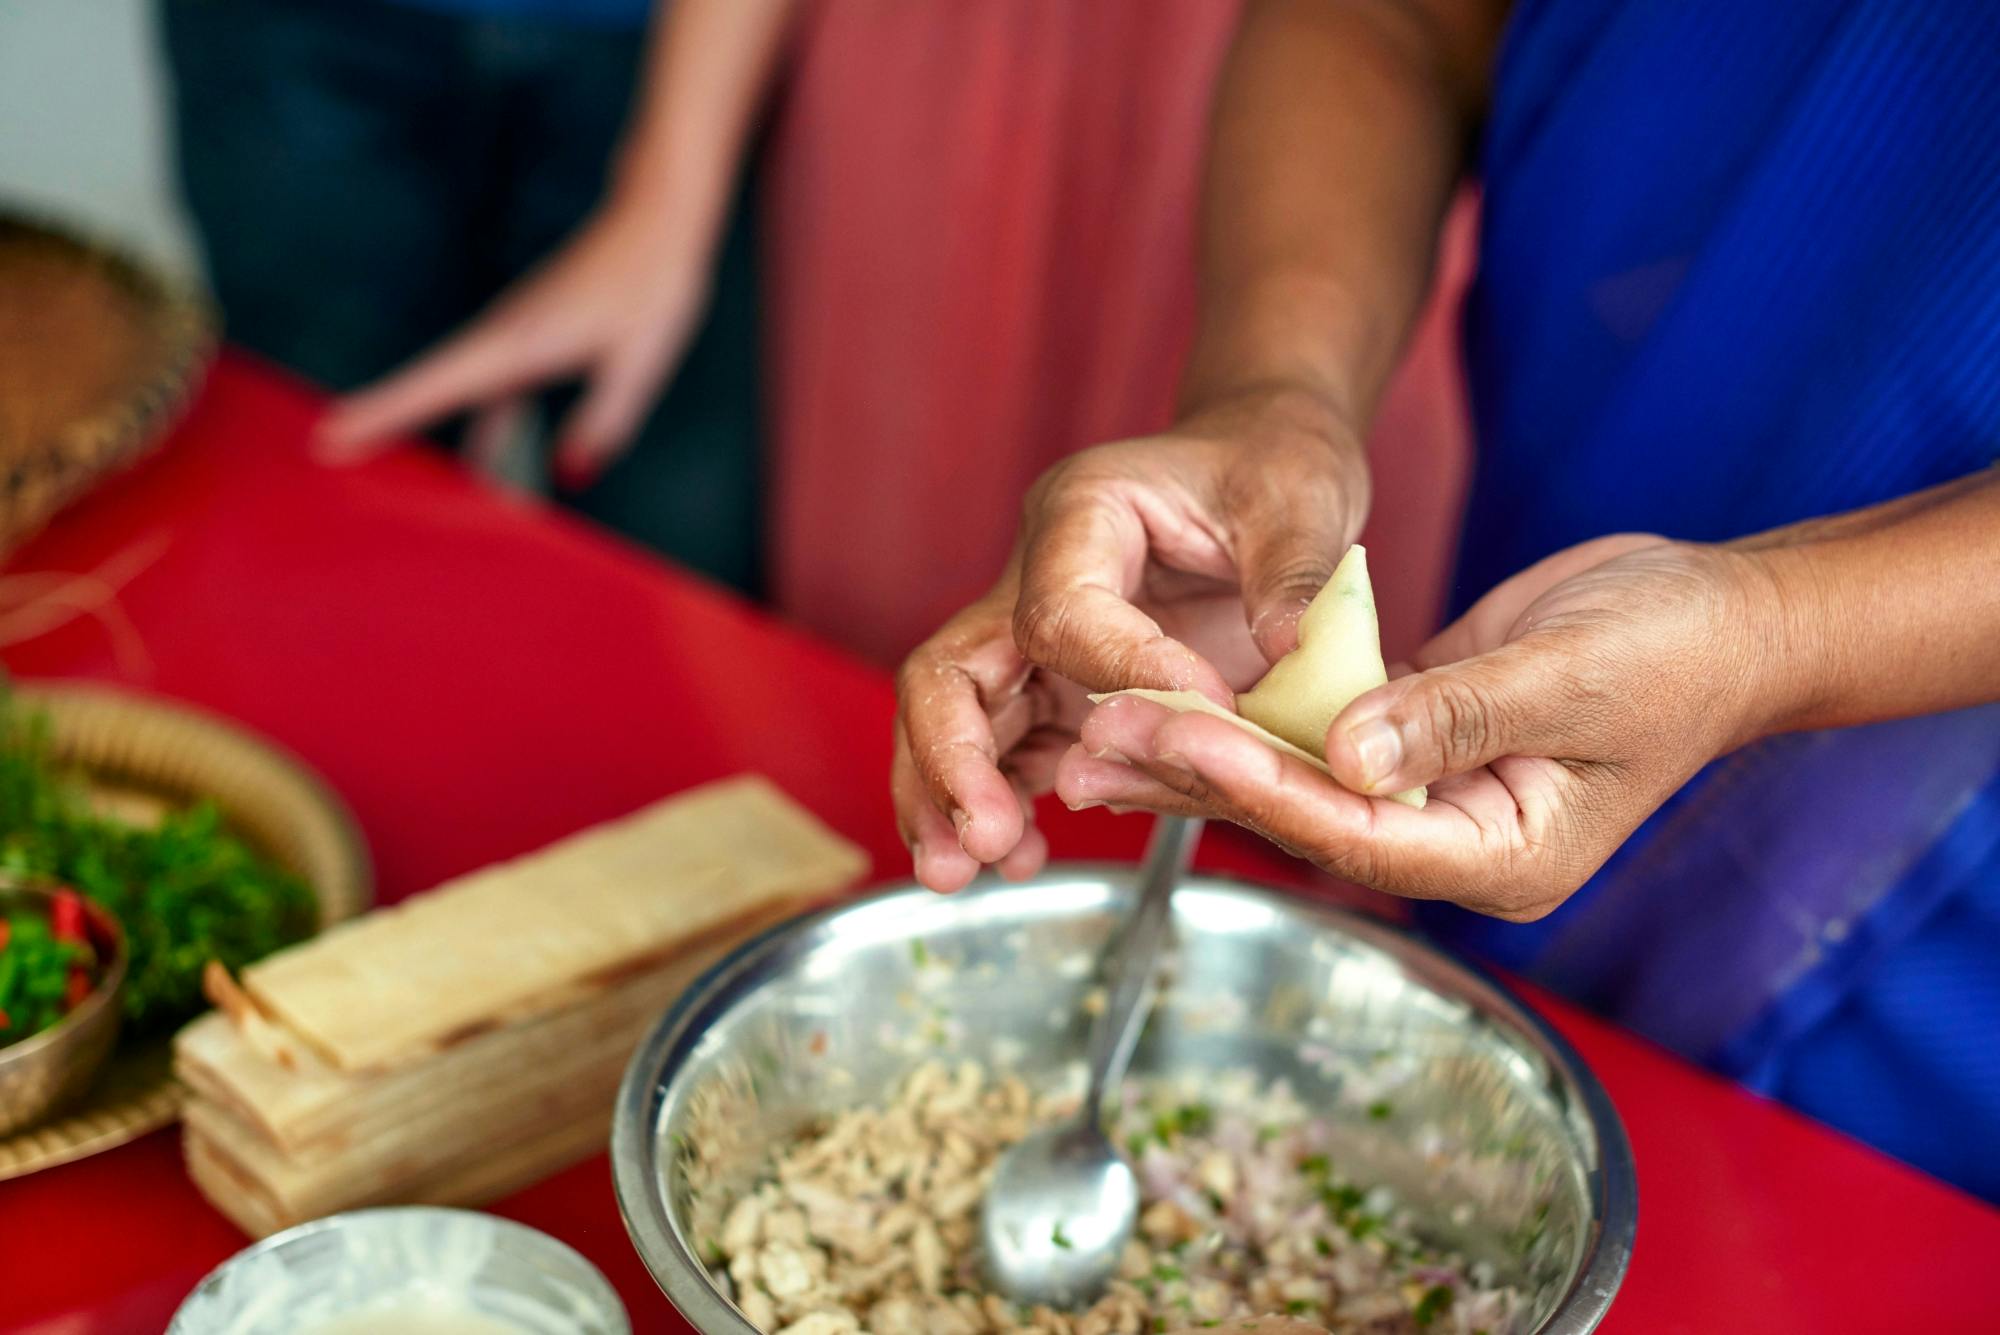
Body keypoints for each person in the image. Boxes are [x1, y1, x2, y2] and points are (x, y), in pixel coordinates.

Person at [891, 0, 2000, 1203]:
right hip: (1559, 624)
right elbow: (1393, 22)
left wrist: (1777, 635)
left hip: (1935, 979)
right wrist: (1273, 395)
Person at [159, 0, 792, 593]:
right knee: (318, 542)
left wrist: (669, 201)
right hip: (281, 44)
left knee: (682, 574)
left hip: (674, 43)